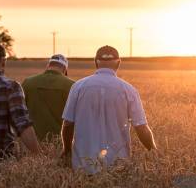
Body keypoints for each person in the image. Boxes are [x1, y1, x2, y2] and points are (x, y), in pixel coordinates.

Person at [60, 45, 156, 173]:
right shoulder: (129, 90)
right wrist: (154, 152)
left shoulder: (78, 87)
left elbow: (68, 124)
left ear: (96, 62)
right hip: (118, 166)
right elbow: (141, 127)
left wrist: (67, 150)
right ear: (118, 63)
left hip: (83, 165)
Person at [22, 54, 75, 141]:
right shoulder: (72, 86)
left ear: (48, 66)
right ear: (65, 69)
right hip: (60, 144)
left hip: (32, 143)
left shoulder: (28, 82)